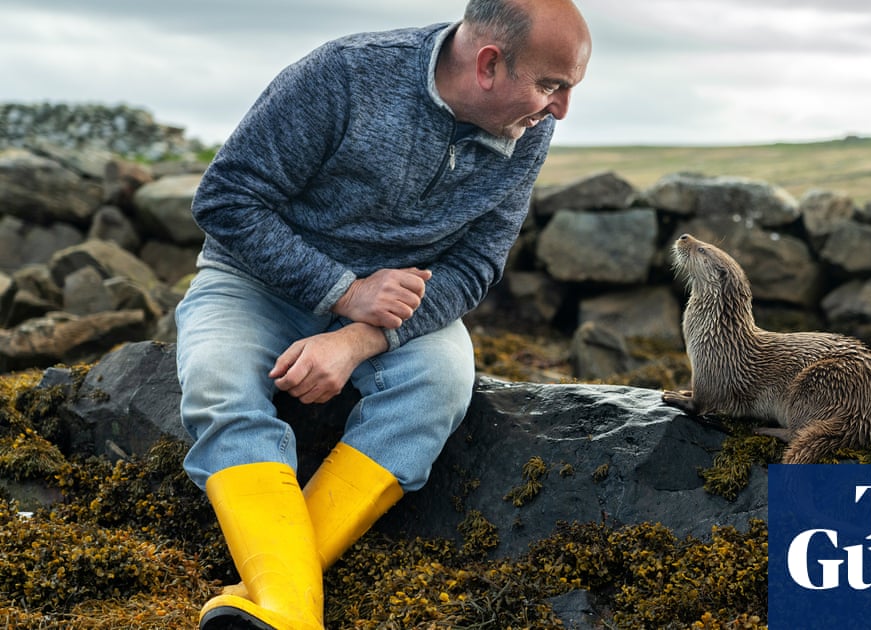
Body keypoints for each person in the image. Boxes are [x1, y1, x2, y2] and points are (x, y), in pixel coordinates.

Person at [174, 1, 591, 627]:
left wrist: (358, 338)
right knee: (217, 382)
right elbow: (227, 201)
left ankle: (280, 601)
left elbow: (476, 266)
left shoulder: (528, 127)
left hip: (396, 309)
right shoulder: (343, 75)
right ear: (487, 65)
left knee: (442, 383)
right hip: (251, 284)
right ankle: (295, 610)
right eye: (551, 86)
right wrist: (343, 292)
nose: (559, 109)